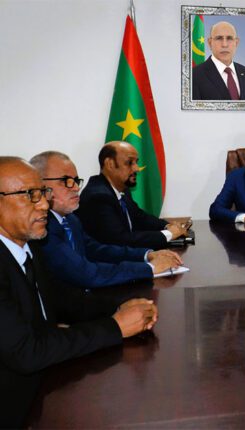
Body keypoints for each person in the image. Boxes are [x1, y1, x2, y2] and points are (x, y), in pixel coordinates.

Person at [0, 157, 158, 427]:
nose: (44, 204)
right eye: (30, 195)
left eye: (43, 193)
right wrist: (115, 327)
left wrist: (120, 307)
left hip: (46, 384)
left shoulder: (29, 245)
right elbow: (27, 352)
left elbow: (60, 300)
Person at [30, 151, 182, 289]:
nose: (76, 188)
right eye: (66, 181)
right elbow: (86, 273)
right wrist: (150, 268)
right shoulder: (42, 227)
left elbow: (96, 250)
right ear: (39, 185)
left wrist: (146, 255)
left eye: (76, 180)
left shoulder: (70, 219)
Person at [76, 142, 189, 250]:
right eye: (129, 163)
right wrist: (169, 234)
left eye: (136, 162)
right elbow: (120, 240)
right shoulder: (98, 197)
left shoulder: (121, 188)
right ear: (110, 164)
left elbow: (139, 217)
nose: (137, 169)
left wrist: (168, 226)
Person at [192, 21, 245, 101]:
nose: (224, 44)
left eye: (229, 38)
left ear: (236, 43)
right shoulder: (194, 76)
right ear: (210, 43)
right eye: (219, 38)